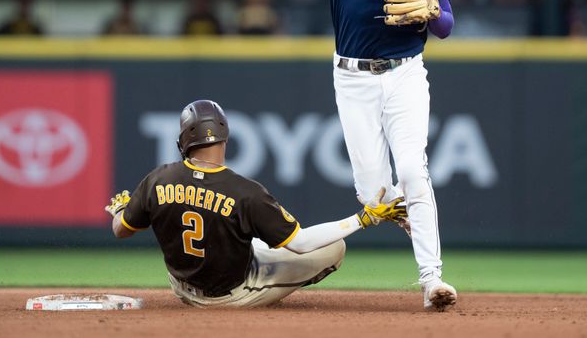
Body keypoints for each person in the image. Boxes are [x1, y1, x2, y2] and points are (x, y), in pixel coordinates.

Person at [255, 0, 457, 310]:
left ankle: (432, 280)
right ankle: (403, 209)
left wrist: (433, 10)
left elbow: (448, 25)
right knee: (376, 196)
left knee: (414, 167)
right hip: (353, 77)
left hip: (407, 72)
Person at [105, 99, 406, 308]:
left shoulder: (158, 178)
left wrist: (121, 211)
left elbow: (121, 230)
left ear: (183, 141)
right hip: (228, 295)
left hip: (180, 285)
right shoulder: (245, 192)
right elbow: (300, 244)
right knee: (334, 248)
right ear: (224, 136)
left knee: (252, 241)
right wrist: (363, 219)